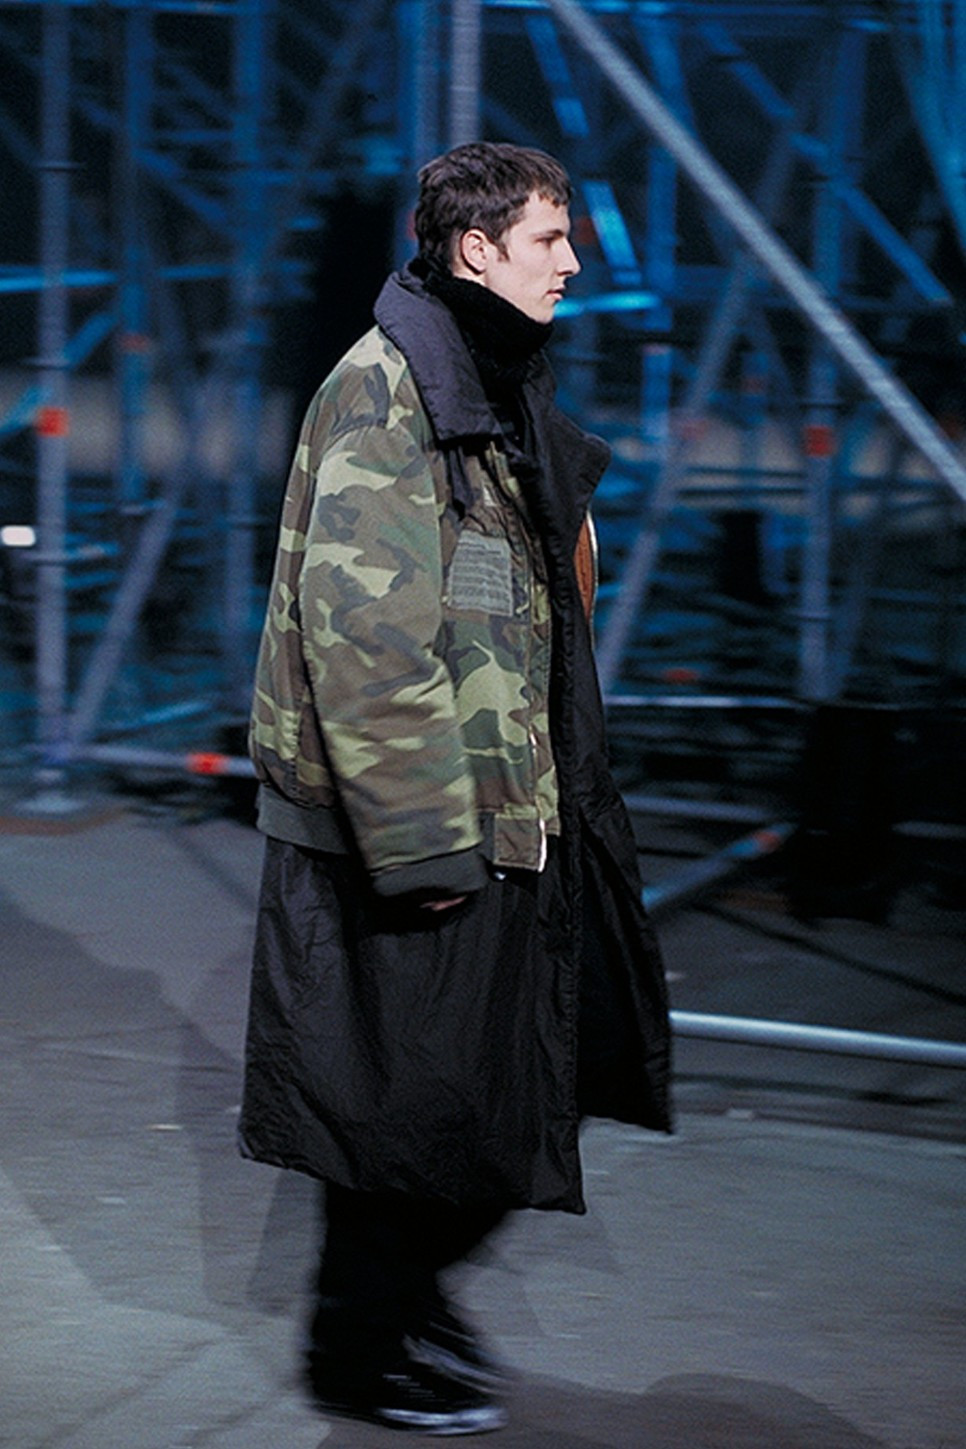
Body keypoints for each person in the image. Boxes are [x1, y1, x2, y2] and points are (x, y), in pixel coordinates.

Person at [239, 141, 672, 1436]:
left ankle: (397, 1310)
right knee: (422, 1106)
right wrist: (425, 845)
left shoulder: (490, 376)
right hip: (427, 820)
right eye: (549, 239)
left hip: (513, 800)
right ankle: (359, 1348)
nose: (573, 262)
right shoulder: (387, 391)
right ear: (475, 250)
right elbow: (365, 643)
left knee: (512, 1083)